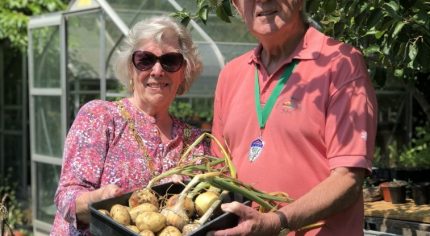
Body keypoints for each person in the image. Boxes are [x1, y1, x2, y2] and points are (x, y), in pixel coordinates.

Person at [210, 0, 378, 235]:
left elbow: (348, 178)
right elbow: (220, 171)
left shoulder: (341, 63)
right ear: (237, 5)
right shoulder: (231, 74)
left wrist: (276, 221)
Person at [51, 16, 206, 235]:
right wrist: (97, 200)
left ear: (184, 72)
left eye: (170, 61)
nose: (158, 71)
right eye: (145, 60)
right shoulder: (101, 117)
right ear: (131, 69)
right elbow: (66, 197)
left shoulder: (195, 142)